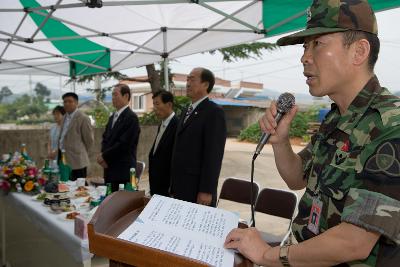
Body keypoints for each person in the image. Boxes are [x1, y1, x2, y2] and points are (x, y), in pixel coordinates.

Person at [224, 0, 400, 266]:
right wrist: (280, 141)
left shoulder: (390, 124)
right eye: (306, 46)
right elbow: (297, 178)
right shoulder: (337, 118)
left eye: (318, 44)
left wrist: (267, 256)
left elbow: (354, 242)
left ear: (359, 51)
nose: (304, 56)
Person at [170, 67, 227, 207]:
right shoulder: (185, 111)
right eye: (187, 79)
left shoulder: (214, 112)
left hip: (197, 189)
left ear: (206, 85)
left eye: (192, 79)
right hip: (180, 186)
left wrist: (207, 190)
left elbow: (214, 154)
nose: (188, 83)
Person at [97, 84, 140, 192]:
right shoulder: (113, 117)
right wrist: (103, 156)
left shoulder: (131, 118)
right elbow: (105, 138)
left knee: (121, 205)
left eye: (116, 95)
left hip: (123, 171)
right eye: (112, 95)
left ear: (126, 96)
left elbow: (124, 144)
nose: (113, 98)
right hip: (109, 168)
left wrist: (105, 156)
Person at [148, 90, 178, 196]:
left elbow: (176, 159)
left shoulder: (177, 126)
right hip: (156, 184)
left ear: (169, 104)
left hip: (167, 187)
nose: (154, 108)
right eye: (153, 104)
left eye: (157, 104)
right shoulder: (162, 124)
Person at [59, 92, 94, 181]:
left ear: (76, 103)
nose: (67, 104)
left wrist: (80, 152)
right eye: (65, 102)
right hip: (64, 159)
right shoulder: (64, 117)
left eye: (70, 101)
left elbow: (89, 140)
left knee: (79, 188)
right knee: (66, 186)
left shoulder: (83, 118)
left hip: (78, 161)